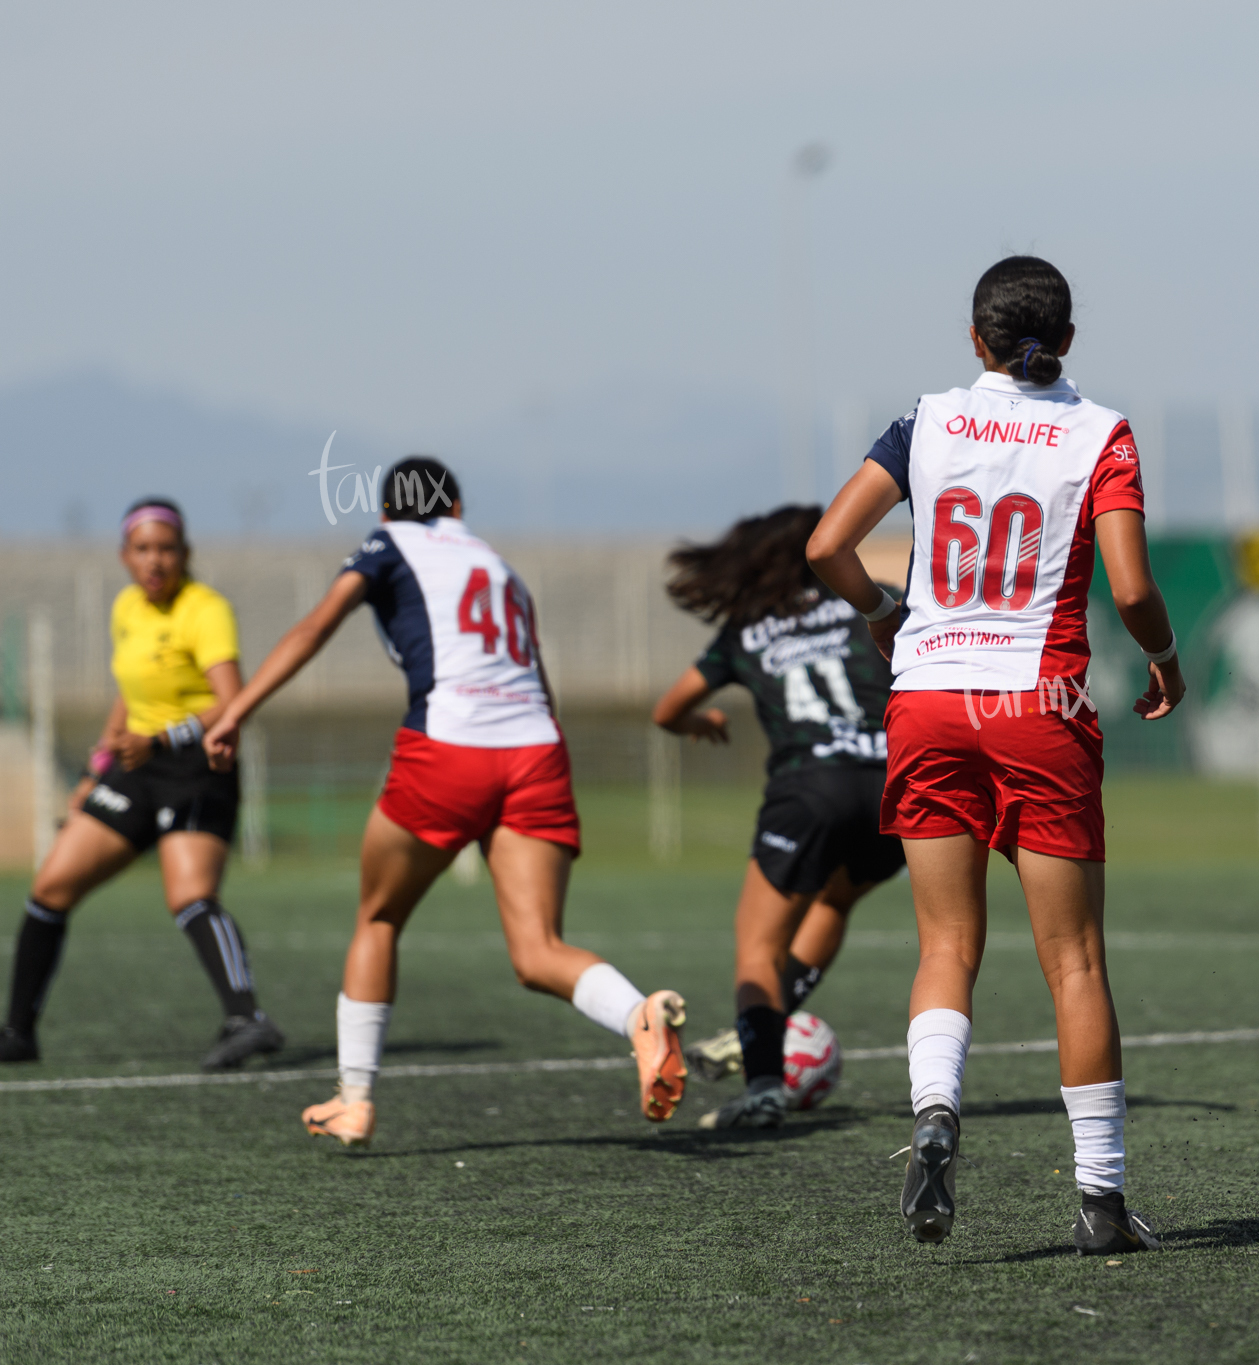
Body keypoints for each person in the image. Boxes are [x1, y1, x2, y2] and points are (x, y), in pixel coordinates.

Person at [807, 255, 1185, 1255]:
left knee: (944, 946)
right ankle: (1099, 1203)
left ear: (974, 339)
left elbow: (823, 546)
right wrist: (1162, 661)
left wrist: (885, 612)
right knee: (1074, 960)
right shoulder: (1098, 431)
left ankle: (935, 1114)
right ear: (1066, 340)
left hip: (928, 699)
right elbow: (1134, 588)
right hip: (1037, 702)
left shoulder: (924, 420)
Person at [203, 458, 687, 1148]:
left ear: (385, 511)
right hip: (537, 751)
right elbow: (537, 678)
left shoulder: (387, 542)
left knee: (378, 916)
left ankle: (355, 1099)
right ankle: (639, 1012)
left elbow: (315, 626)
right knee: (538, 948)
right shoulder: (499, 565)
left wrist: (236, 712)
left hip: (450, 749)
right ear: (455, 505)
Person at [2, 498, 283, 1071]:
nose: (155, 561)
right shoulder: (128, 607)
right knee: (50, 888)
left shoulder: (205, 609)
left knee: (189, 896)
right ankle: (18, 1034)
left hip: (197, 768)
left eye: (166, 549)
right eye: (143, 549)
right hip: (135, 766)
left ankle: (246, 1019)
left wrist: (161, 741)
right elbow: (130, 697)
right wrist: (94, 770)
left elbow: (233, 702)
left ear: (185, 554)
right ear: (124, 555)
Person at [653, 504, 905, 1129]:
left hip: (810, 788)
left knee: (756, 950)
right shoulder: (874, 600)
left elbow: (669, 709)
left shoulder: (748, 629)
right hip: (891, 784)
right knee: (833, 903)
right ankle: (766, 1026)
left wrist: (698, 722)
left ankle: (764, 1085)